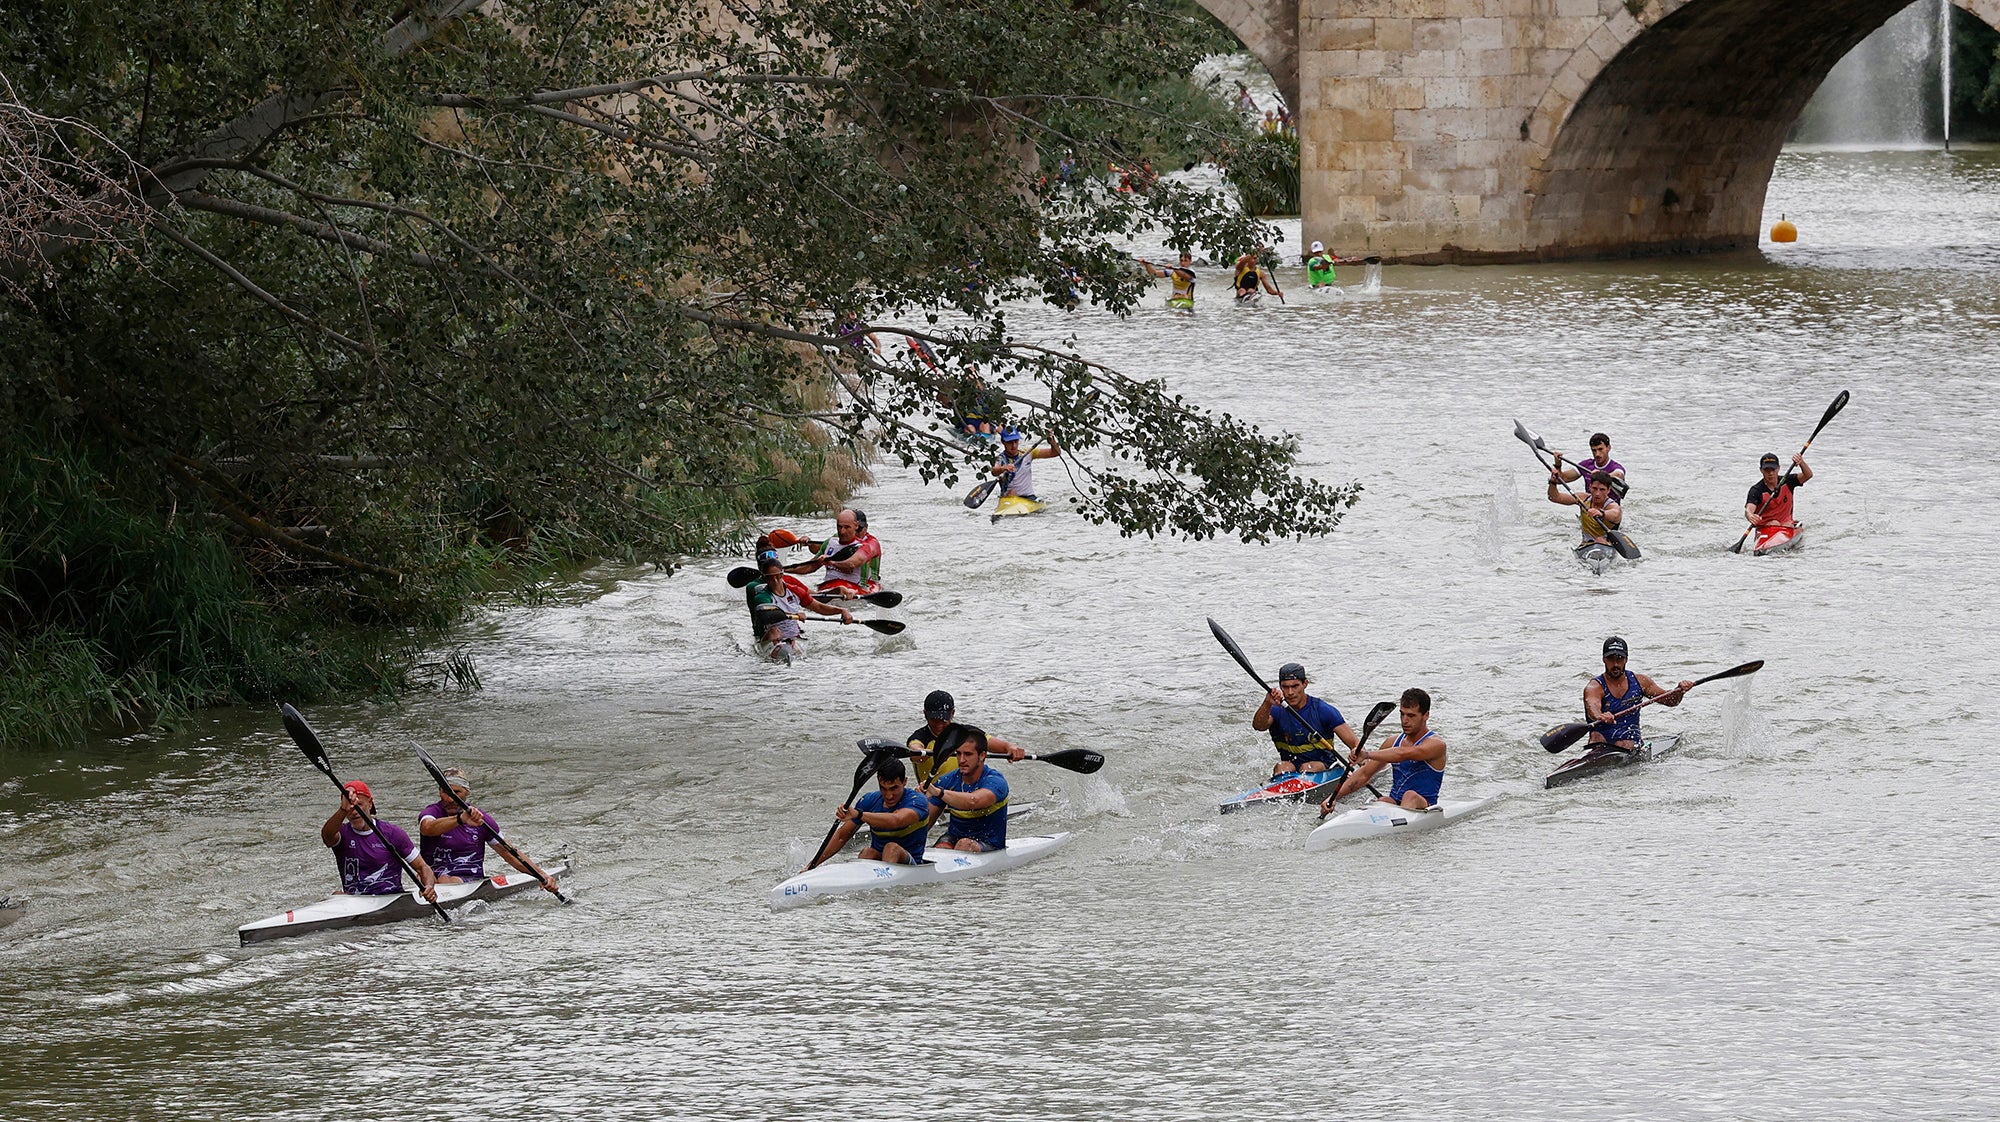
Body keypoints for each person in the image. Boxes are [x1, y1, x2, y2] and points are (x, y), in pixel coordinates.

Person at [417, 767, 561, 894]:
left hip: (470, 881)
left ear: (467, 792)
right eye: (445, 792)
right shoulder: (431, 812)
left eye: (456, 793)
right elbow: (428, 828)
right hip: (431, 879)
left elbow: (508, 852)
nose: (449, 798)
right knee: (434, 878)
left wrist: (542, 875)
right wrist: (460, 819)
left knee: (446, 879)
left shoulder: (482, 819)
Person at [1322, 688, 1447, 812]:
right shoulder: (1391, 742)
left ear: (1426, 715)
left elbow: (1403, 754)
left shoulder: (1436, 745)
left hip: (1425, 806)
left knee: (1410, 796)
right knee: (1383, 801)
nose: (1405, 720)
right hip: (1397, 804)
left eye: (1411, 715)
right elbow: (1364, 774)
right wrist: (1333, 798)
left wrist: (1366, 755)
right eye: (1402, 714)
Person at [321, 780, 439, 901]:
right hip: (355, 901)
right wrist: (342, 810)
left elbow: (422, 867)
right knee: (336, 895)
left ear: (370, 803)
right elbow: (327, 837)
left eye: (359, 805)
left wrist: (429, 886)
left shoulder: (393, 833)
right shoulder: (341, 833)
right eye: (349, 808)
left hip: (390, 899)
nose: (354, 812)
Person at [813, 756, 933, 867]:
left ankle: (885, 884)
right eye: (883, 788)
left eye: (894, 788)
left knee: (891, 848)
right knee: (867, 853)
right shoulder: (869, 801)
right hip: (880, 863)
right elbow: (841, 837)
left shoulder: (917, 801)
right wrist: (812, 866)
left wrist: (859, 814)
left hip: (911, 865)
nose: (889, 795)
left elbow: (896, 820)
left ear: (904, 782)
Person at [1584, 636, 1693, 750]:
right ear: (1604, 659)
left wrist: (1679, 690)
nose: (1615, 664)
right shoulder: (1594, 687)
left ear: (1626, 659)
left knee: (1623, 744)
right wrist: (1600, 716)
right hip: (1601, 739)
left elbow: (1670, 701)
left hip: (1628, 739)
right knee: (1597, 737)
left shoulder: (1640, 682)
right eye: (1611, 658)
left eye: (1620, 658)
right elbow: (1592, 706)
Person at [1251, 662, 1359, 775]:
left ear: (1305, 684)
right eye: (1285, 687)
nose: (1290, 692)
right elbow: (1258, 726)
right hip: (1291, 766)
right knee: (1281, 767)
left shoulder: (1323, 710)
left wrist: (1364, 764)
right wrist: (1267, 703)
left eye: (1295, 686)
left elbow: (1355, 743)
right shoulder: (1276, 709)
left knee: (1308, 767)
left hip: (1323, 766)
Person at [745, 551, 852, 658]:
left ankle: (791, 649)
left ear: (782, 574)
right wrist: (794, 615)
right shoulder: (762, 596)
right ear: (764, 578)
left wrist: (841, 610)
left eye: (778, 576)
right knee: (773, 632)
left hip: (793, 636)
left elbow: (819, 607)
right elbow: (768, 615)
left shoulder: (795, 590)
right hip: (773, 636)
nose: (775, 580)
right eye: (770, 577)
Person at [907, 689, 1025, 786]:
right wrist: (934, 752)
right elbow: (916, 753)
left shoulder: (967, 733)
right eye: (934, 719)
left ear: (952, 713)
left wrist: (1011, 747)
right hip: (933, 797)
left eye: (943, 720)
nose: (939, 725)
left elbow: (1002, 746)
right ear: (925, 714)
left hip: (964, 795)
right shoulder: (919, 737)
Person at [921, 730, 1011, 852]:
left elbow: (973, 801)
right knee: (943, 846)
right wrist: (919, 800)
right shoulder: (947, 781)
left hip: (989, 843)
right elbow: (924, 825)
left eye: (968, 754)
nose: (961, 760)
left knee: (963, 845)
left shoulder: (996, 782)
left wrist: (939, 793)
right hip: (953, 838)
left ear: (982, 755)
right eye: (958, 754)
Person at [786, 508, 882, 599]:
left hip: (853, 590)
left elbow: (851, 564)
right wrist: (782, 570)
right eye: (839, 527)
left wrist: (831, 562)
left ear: (856, 526)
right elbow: (810, 566)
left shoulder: (865, 546)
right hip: (828, 588)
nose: (842, 531)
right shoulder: (831, 542)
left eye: (847, 527)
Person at [1549, 469, 1623, 546]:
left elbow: (1616, 514)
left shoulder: (1612, 505)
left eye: (1602, 490)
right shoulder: (1583, 499)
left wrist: (1602, 513)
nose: (1597, 493)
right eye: (1595, 488)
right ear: (1590, 487)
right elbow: (1554, 497)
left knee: (1600, 541)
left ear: (1608, 490)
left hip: (1607, 545)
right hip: (1586, 544)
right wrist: (1553, 482)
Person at [1744, 451, 1812, 534]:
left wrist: (1801, 463)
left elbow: (1808, 475)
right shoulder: (1756, 490)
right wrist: (1750, 515)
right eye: (1767, 470)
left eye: (1773, 469)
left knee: (1786, 524)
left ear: (1778, 468)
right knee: (1774, 523)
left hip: (1787, 525)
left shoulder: (1788, 482)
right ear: (1761, 470)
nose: (1771, 473)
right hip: (1765, 527)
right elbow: (1749, 508)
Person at [993, 428, 1060, 501]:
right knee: (1012, 493)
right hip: (1008, 498)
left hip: (1028, 497)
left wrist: (1052, 440)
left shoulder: (1028, 453)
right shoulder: (1000, 458)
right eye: (1010, 442)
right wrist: (1004, 468)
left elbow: (1055, 453)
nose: (1014, 445)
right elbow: (994, 471)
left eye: (1016, 441)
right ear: (1003, 442)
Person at [1553, 432, 1626, 492]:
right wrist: (1558, 464)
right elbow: (1561, 479)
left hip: (1610, 509)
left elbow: (1619, 474)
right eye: (1594, 450)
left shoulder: (1616, 467)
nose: (1597, 454)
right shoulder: (1586, 465)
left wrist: (1601, 476)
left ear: (1608, 448)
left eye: (1600, 449)